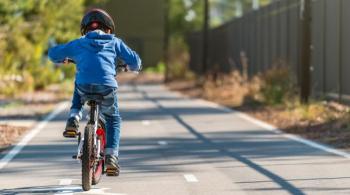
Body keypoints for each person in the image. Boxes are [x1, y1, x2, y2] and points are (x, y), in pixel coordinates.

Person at [48, 8, 142, 176]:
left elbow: (53, 53)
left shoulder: (79, 42)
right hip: (106, 87)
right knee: (113, 119)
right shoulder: (114, 42)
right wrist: (131, 67)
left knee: (79, 82)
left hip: (84, 86)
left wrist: (62, 59)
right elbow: (135, 61)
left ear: (85, 30)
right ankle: (111, 157)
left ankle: (73, 118)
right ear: (108, 29)